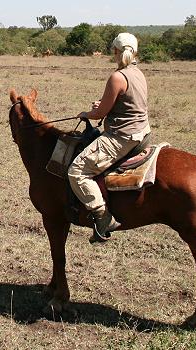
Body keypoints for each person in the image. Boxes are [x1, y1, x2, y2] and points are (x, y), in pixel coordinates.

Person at [68, 33, 151, 241]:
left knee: (77, 171)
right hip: (143, 132)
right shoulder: (138, 73)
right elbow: (124, 104)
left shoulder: (117, 76)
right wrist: (103, 106)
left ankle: (103, 217)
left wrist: (87, 114)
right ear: (135, 52)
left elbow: (99, 114)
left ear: (115, 51)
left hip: (122, 137)